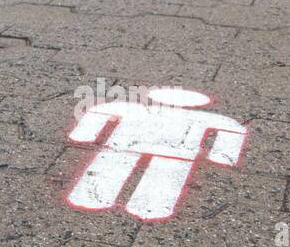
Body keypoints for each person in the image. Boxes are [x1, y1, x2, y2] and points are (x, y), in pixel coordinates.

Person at [67, 88, 247, 221]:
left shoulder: (129, 107)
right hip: (175, 155)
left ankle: (94, 197)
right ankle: (150, 207)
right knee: (163, 179)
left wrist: (84, 135)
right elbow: (232, 129)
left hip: (125, 147)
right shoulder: (203, 117)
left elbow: (98, 113)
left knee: (111, 169)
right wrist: (221, 155)